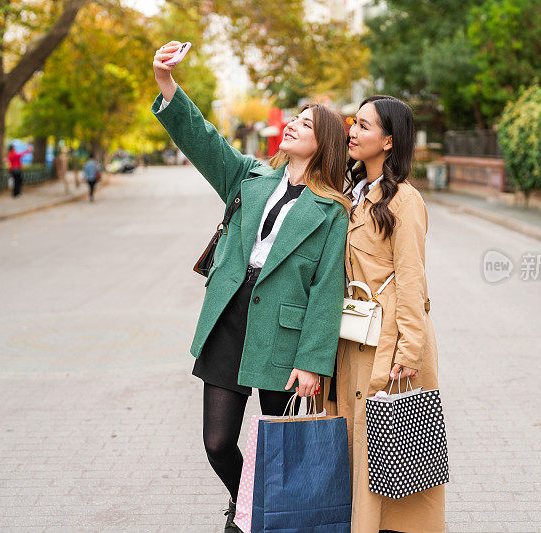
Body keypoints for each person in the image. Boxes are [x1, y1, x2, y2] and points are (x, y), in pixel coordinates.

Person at [152, 40, 350, 532]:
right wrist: (166, 82)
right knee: (217, 442)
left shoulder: (332, 211)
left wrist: (313, 361)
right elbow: (202, 139)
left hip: (284, 333)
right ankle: (250, 508)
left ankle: (254, 519)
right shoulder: (249, 177)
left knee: (280, 447)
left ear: (324, 143)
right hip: (229, 316)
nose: (292, 125)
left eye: (305, 124)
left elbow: (326, 290)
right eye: (294, 119)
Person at [322, 95, 445, 532]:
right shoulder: (354, 193)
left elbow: (412, 278)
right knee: (363, 447)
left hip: (391, 342)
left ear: (389, 141)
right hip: (356, 336)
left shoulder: (404, 201)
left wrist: (409, 353)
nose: (352, 132)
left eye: (365, 126)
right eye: (353, 123)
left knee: (394, 450)